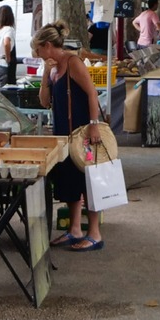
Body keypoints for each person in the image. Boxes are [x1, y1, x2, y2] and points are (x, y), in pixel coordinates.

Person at [35, 24, 107, 250]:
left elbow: (92, 93)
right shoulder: (53, 68)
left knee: (88, 179)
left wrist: (94, 125)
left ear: (47, 46)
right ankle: (75, 228)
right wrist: (47, 71)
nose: (36, 54)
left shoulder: (73, 62)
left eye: (38, 50)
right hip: (63, 132)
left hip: (81, 130)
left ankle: (94, 233)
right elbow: (44, 101)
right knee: (69, 179)